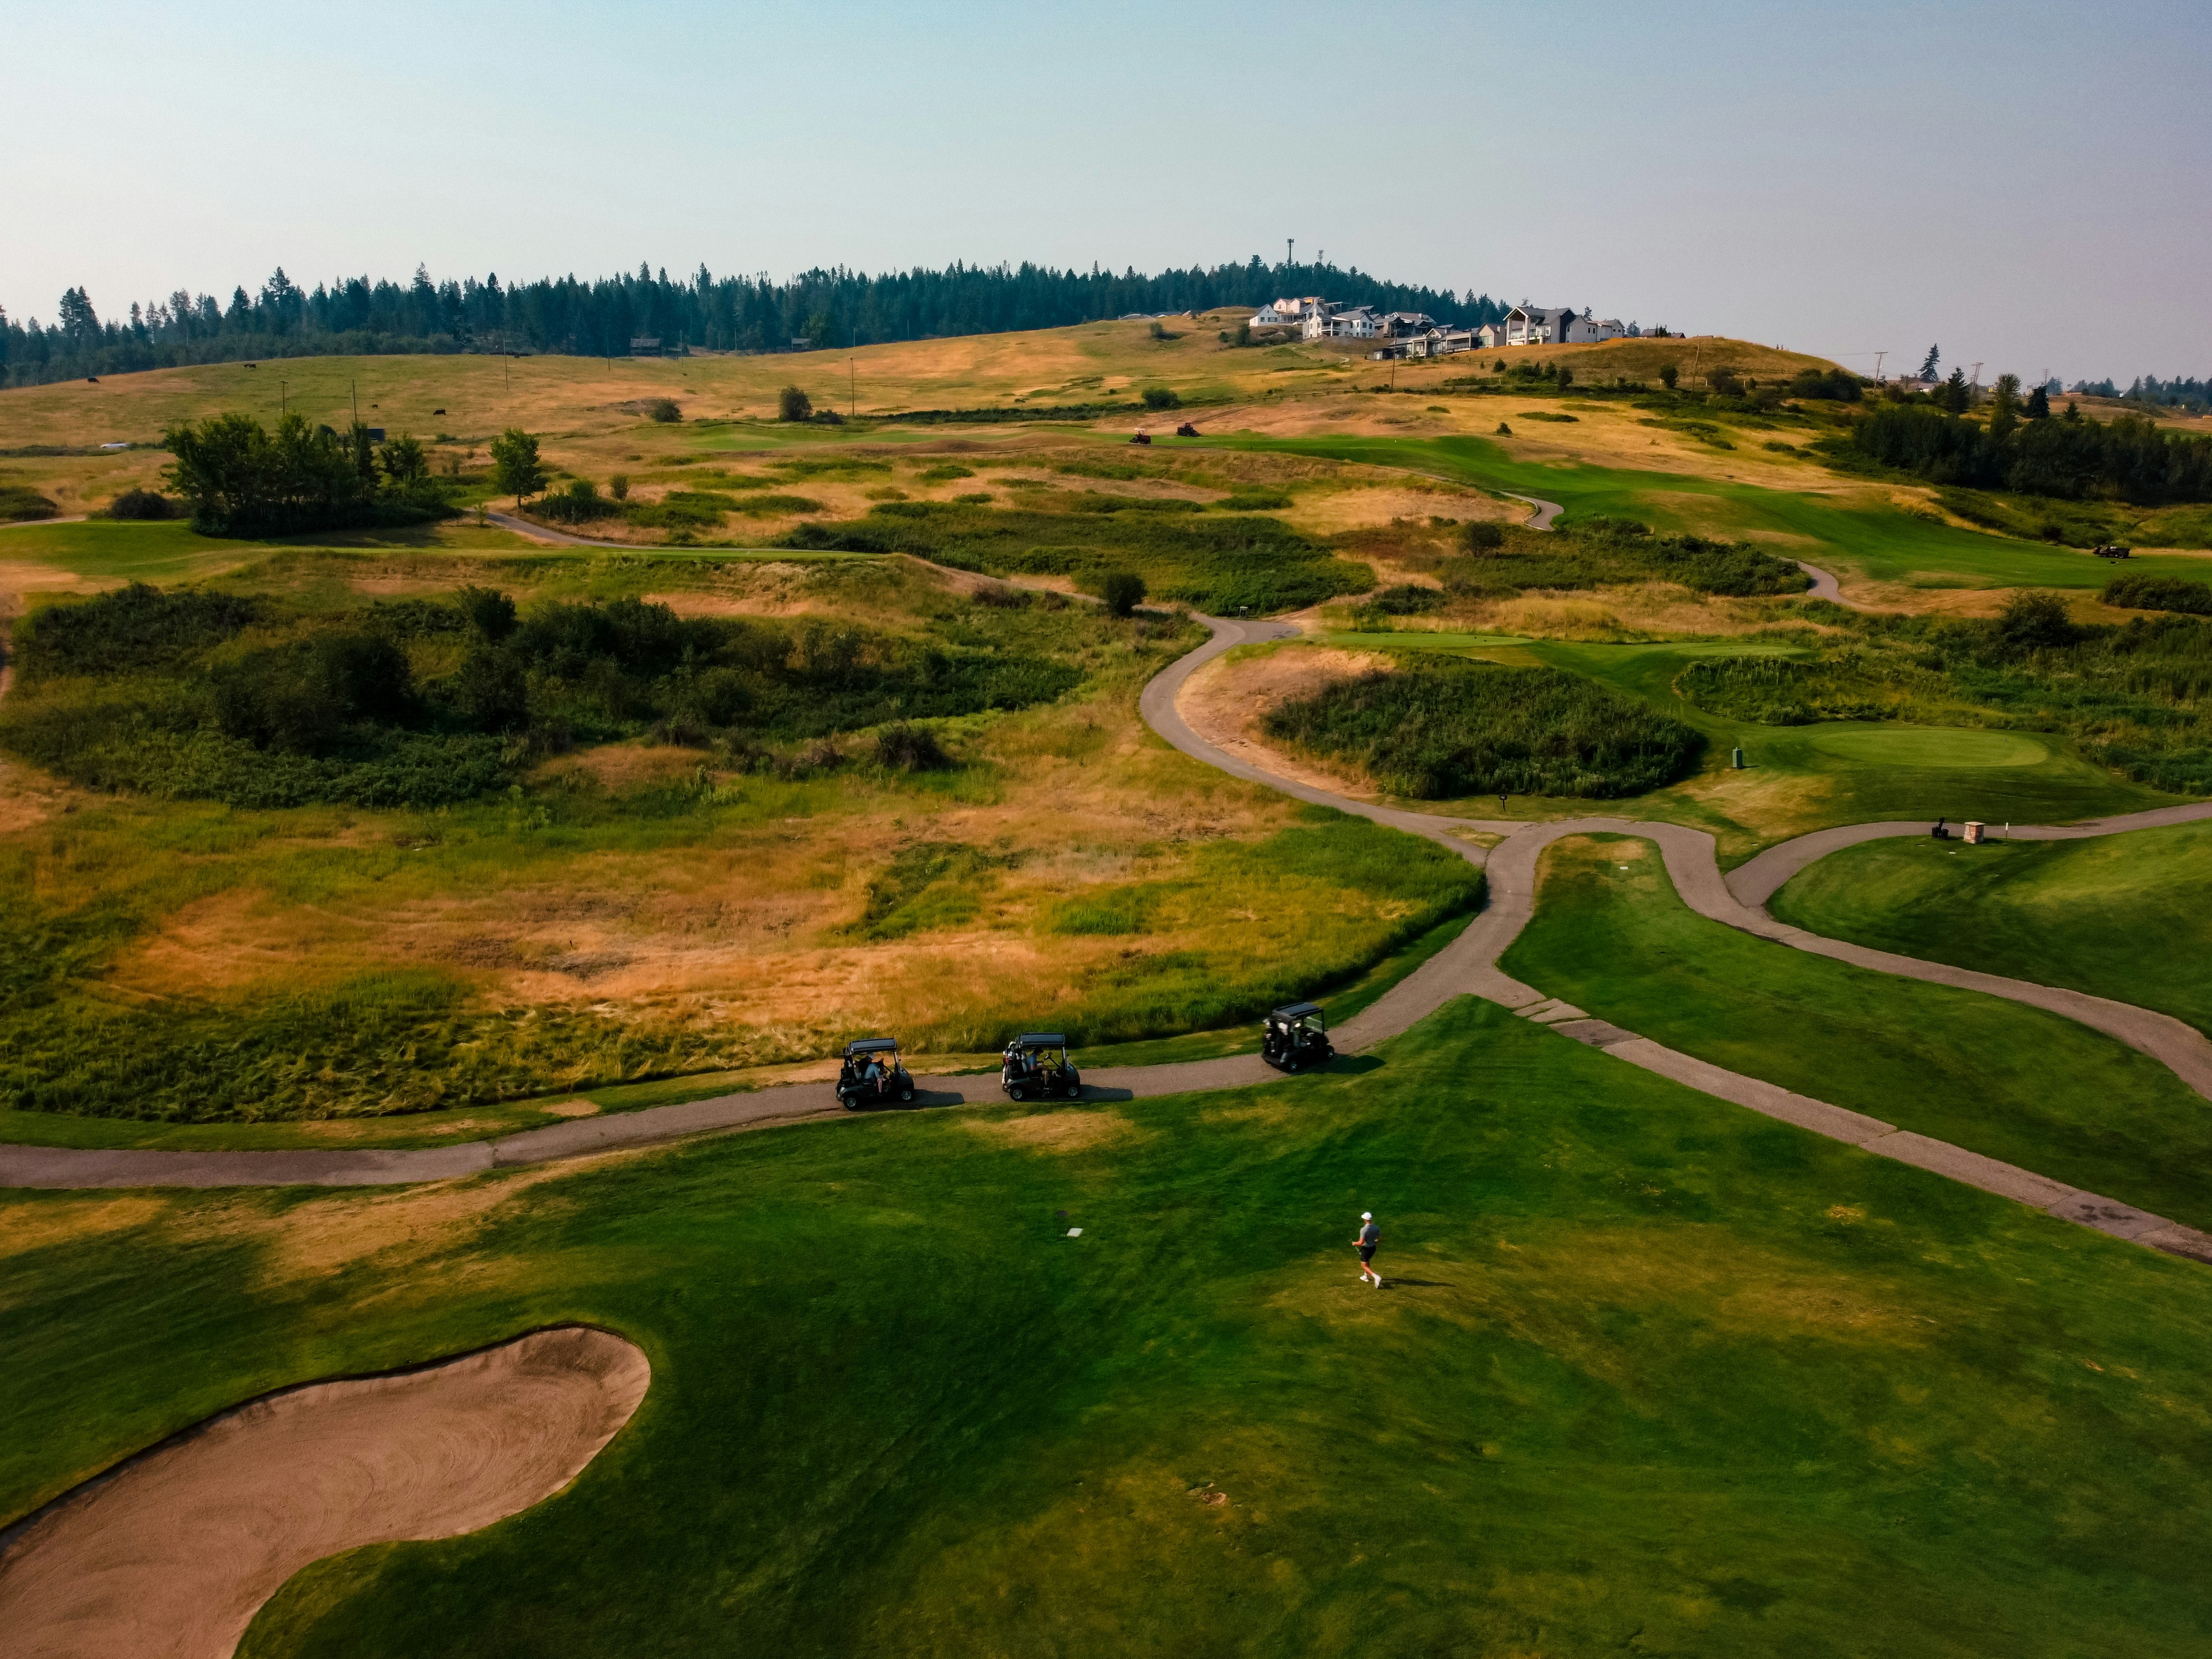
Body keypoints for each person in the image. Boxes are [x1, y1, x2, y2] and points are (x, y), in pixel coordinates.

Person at [1354, 1211, 1381, 1288]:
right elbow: (1380, 1239)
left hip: (1366, 1249)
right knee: (1367, 1262)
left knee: (1363, 1265)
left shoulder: (1364, 1230)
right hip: (1373, 1249)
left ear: (1365, 1220)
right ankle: (1366, 1276)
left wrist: (1355, 1243)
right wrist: (1375, 1241)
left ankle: (1376, 1277)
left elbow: (1361, 1242)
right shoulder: (1376, 1228)